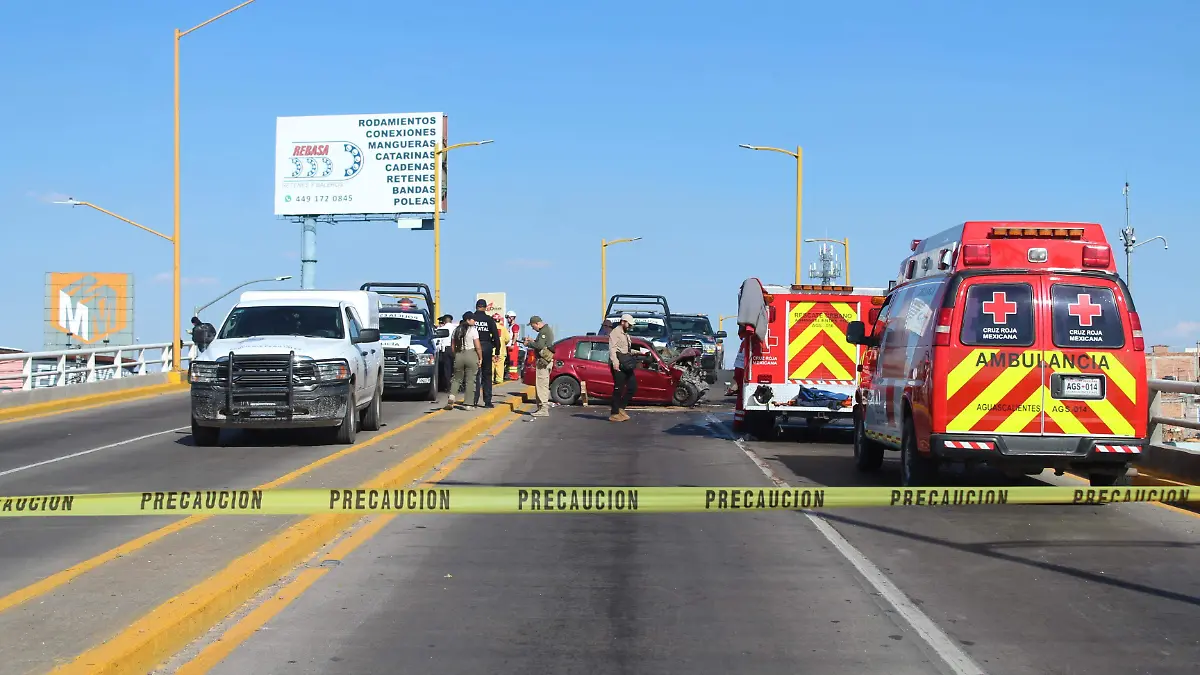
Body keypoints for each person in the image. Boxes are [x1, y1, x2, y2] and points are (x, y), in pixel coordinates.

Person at [445, 311, 481, 410]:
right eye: (473, 319)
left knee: (456, 378)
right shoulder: (473, 330)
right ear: (468, 320)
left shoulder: (456, 330)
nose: (475, 321)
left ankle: (452, 397)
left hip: (459, 354)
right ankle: (468, 404)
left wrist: (456, 355)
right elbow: (478, 346)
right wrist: (480, 358)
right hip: (471, 354)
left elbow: (452, 346)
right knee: (470, 380)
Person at [471, 299, 501, 407]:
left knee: (474, 375)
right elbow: (496, 337)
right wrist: (497, 351)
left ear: (476, 306)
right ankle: (487, 401)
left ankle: (473, 400)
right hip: (487, 348)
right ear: (485, 307)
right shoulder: (489, 320)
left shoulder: (471, 319)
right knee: (487, 375)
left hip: (473, 348)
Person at [607, 313, 637, 422]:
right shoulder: (615, 333)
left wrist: (640, 352)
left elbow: (626, 350)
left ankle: (621, 408)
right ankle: (614, 413)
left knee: (632, 387)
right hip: (619, 364)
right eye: (629, 324)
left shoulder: (626, 334)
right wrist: (615, 363)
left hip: (626, 364)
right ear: (623, 322)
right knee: (618, 388)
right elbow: (613, 349)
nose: (630, 326)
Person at [524, 315, 554, 417]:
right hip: (545, 361)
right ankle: (541, 408)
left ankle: (543, 409)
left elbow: (540, 346)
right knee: (542, 384)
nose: (533, 328)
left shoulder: (543, 332)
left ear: (537, 324)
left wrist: (529, 344)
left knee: (541, 385)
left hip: (543, 362)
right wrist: (533, 341)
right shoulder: (546, 330)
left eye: (533, 326)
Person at [492, 312, 508, 385]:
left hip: (492, 351)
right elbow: (507, 339)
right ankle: (499, 380)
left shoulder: (490, 328)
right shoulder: (503, 328)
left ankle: (491, 380)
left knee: (491, 366)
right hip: (501, 351)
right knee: (500, 366)